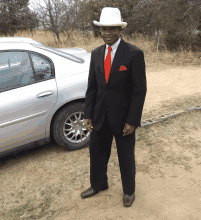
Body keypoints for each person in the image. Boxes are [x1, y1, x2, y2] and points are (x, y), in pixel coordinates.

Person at [81, 7, 147, 207]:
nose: (107, 33)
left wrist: (133, 120)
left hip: (123, 119)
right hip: (100, 116)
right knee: (97, 153)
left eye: (112, 29)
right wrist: (88, 114)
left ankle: (129, 191)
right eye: (104, 29)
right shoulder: (95, 54)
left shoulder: (134, 54)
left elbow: (139, 91)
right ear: (100, 31)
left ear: (120, 30)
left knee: (126, 157)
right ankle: (98, 184)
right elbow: (92, 87)